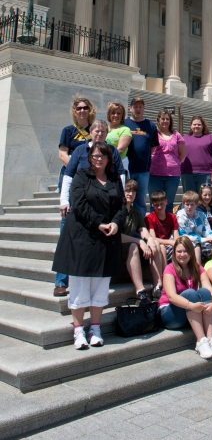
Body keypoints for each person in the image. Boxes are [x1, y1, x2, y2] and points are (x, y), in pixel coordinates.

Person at [52, 143, 127, 349]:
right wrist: (99, 222)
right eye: (95, 156)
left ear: (109, 159)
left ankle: (95, 328)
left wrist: (115, 223)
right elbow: (79, 203)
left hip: (106, 240)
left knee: (100, 288)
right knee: (79, 287)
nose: (99, 159)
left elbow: (122, 205)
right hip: (83, 238)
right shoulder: (81, 176)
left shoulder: (113, 179)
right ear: (90, 157)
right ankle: (78, 331)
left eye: (103, 156)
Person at [54, 96, 96, 297]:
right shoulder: (68, 131)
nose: (82, 110)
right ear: (74, 110)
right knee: (66, 232)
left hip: (91, 185)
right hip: (72, 181)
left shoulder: (93, 131)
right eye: (79, 108)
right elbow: (62, 155)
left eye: (85, 107)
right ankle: (61, 281)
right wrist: (79, 167)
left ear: (90, 110)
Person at [159, 237, 212, 359]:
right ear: (174, 253)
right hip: (169, 313)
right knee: (190, 293)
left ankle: (211, 340)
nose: (182, 255)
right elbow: (172, 297)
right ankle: (200, 342)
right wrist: (192, 306)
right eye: (179, 251)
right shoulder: (170, 269)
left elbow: (209, 288)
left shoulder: (198, 268)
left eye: (186, 251)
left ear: (191, 253)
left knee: (203, 291)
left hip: (188, 310)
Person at [121, 179, 163, 303]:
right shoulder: (117, 211)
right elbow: (117, 236)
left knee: (155, 243)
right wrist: (140, 242)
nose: (130, 194)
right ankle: (140, 291)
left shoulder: (135, 213)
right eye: (127, 191)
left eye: (133, 192)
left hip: (130, 247)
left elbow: (143, 230)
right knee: (134, 246)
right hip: (116, 248)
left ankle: (157, 287)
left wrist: (149, 239)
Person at [124, 98, 160, 217]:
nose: (138, 109)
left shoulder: (150, 125)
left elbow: (153, 147)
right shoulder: (124, 124)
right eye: (135, 107)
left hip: (143, 170)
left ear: (144, 109)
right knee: (124, 200)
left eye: (140, 107)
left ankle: (139, 227)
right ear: (130, 109)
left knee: (140, 202)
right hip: (126, 169)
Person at [148, 110, 186, 213]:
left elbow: (182, 153)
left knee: (168, 203)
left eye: (167, 119)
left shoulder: (176, 135)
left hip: (172, 175)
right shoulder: (153, 133)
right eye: (163, 119)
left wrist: (173, 163)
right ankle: (154, 227)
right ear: (158, 120)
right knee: (155, 203)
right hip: (154, 174)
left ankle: (168, 227)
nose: (165, 121)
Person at [144, 190, 179, 287]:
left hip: (169, 245)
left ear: (166, 202)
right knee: (162, 248)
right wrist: (170, 242)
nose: (159, 207)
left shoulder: (172, 217)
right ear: (152, 205)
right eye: (156, 205)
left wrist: (175, 243)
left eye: (161, 204)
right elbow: (153, 238)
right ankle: (165, 281)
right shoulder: (149, 218)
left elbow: (176, 236)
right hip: (157, 245)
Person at [180, 116, 212, 193]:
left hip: (206, 174)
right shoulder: (184, 138)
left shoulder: (210, 138)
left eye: (199, 124)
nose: (196, 126)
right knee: (190, 200)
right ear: (191, 126)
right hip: (187, 174)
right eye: (194, 124)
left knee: (204, 200)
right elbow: (178, 153)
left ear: (203, 126)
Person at [175, 191, 212, 263]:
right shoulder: (180, 215)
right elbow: (183, 235)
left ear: (197, 205)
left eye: (192, 205)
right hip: (186, 241)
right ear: (183, 204)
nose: (189, 207)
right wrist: (203, 239)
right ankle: (198, 271)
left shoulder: (201, 215)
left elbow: (207, 230)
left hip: (200, 240)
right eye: (187, 204)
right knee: (196, 247)